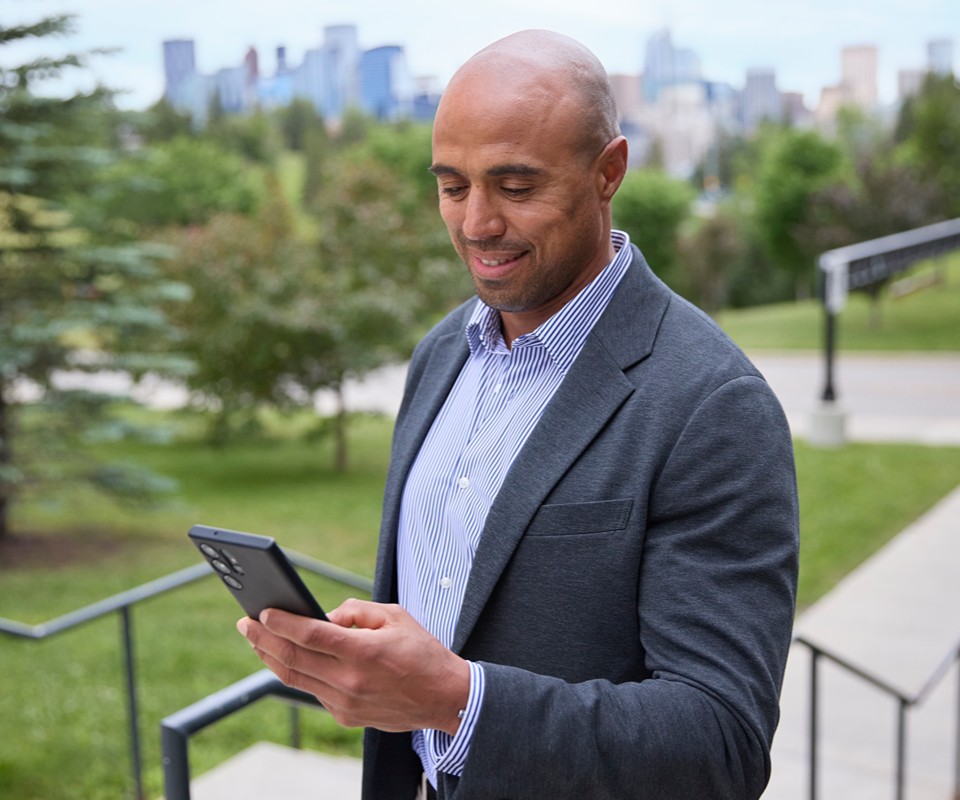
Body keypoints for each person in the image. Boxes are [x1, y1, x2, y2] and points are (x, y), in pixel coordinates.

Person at [238, 29, 799, 800]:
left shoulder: (711, 406)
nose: (476, 224)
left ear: (609, 173)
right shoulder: (442, 353)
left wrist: (456, 700)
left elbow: (720, 745)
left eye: (515, 185)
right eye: (452, 185)